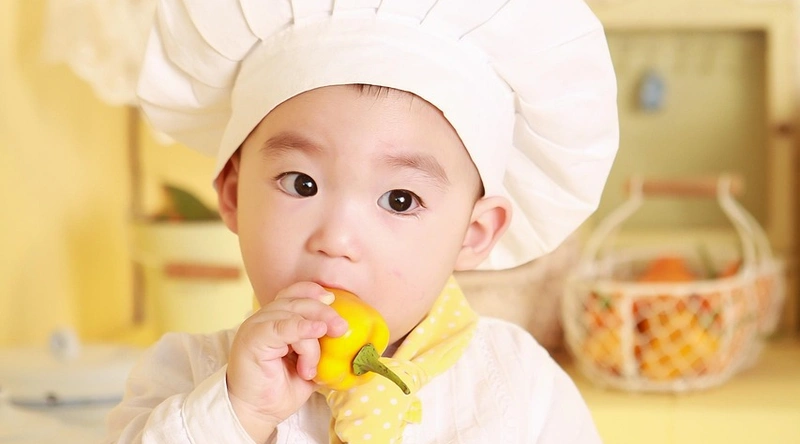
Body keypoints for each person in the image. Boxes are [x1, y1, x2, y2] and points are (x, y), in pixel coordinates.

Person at [106, 0, 619, 443]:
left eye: (399, 199)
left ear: (474, 232)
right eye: (301, 184)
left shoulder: (524, 386)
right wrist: (240, 412)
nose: (336, 239)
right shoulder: (184, 377)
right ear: (233, 193)